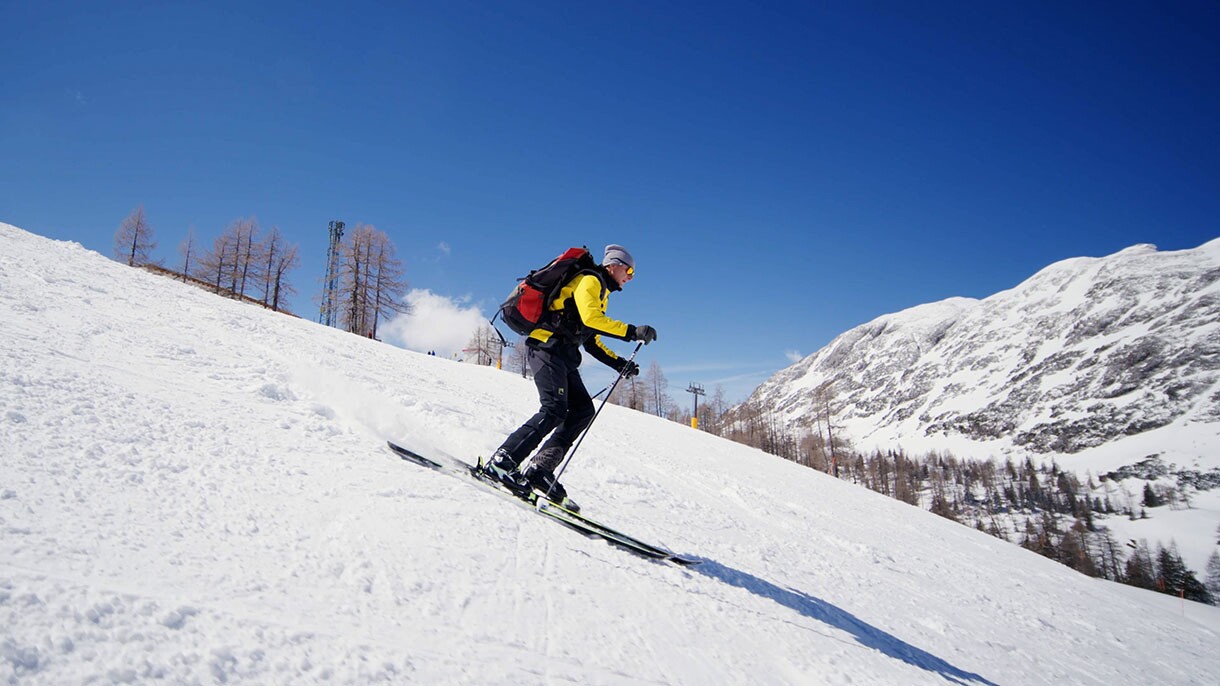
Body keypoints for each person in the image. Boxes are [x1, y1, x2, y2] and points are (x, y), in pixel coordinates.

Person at [480, 244, 657, 511]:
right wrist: (632, 331)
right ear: (614, 265)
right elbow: (592, 318)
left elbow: (591, 340)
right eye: (629, 270)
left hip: (562, 354)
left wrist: (618, 363)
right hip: (546, 347)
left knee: (583, 410)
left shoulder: (602, 293)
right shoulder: (590, 280)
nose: (630, 277)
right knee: (553, 409)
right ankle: (503, 462)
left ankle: (540, 470)